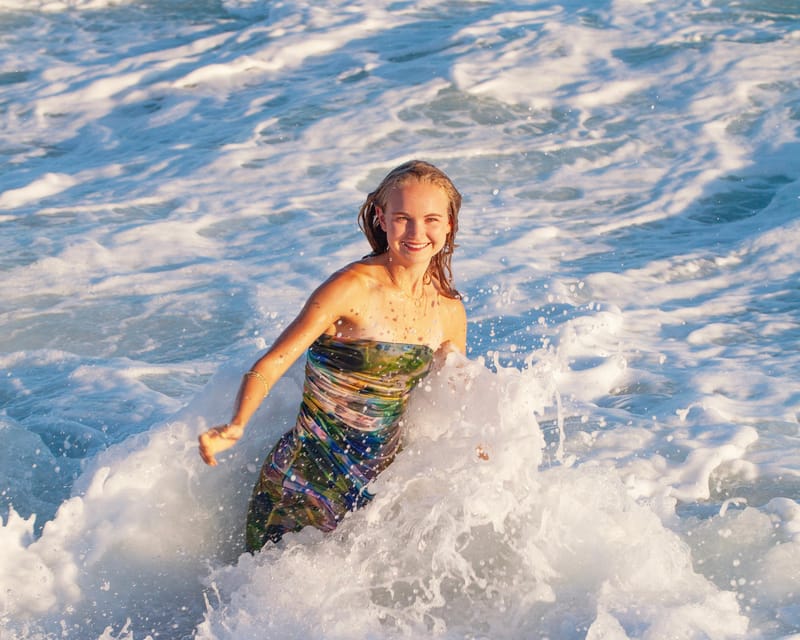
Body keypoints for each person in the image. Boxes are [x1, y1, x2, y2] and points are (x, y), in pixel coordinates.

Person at [198, 160, 467, 552]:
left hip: (380, 492)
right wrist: (236, 424)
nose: (416, 232)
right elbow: (274, 361)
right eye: (403, 218)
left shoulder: (448, 311)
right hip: (303, 484)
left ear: (448, 224)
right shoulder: (350, 288)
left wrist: (479, 448)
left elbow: (453, 397)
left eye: (430, 219)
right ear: (382, 218)